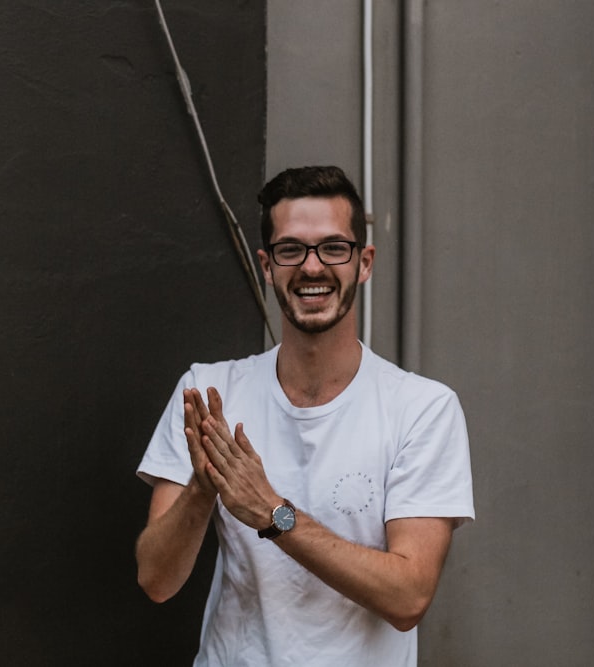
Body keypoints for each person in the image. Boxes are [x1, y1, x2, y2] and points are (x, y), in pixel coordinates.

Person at [135, 166, 474, 666]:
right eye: (291, 249)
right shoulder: (209, 393)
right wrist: (202, 490)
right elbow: (156, 581)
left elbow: (409, 598)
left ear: (364, 262)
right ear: (267, 266)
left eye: (334, 248)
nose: (312, 267)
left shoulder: (421, 409)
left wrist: (274, 514)